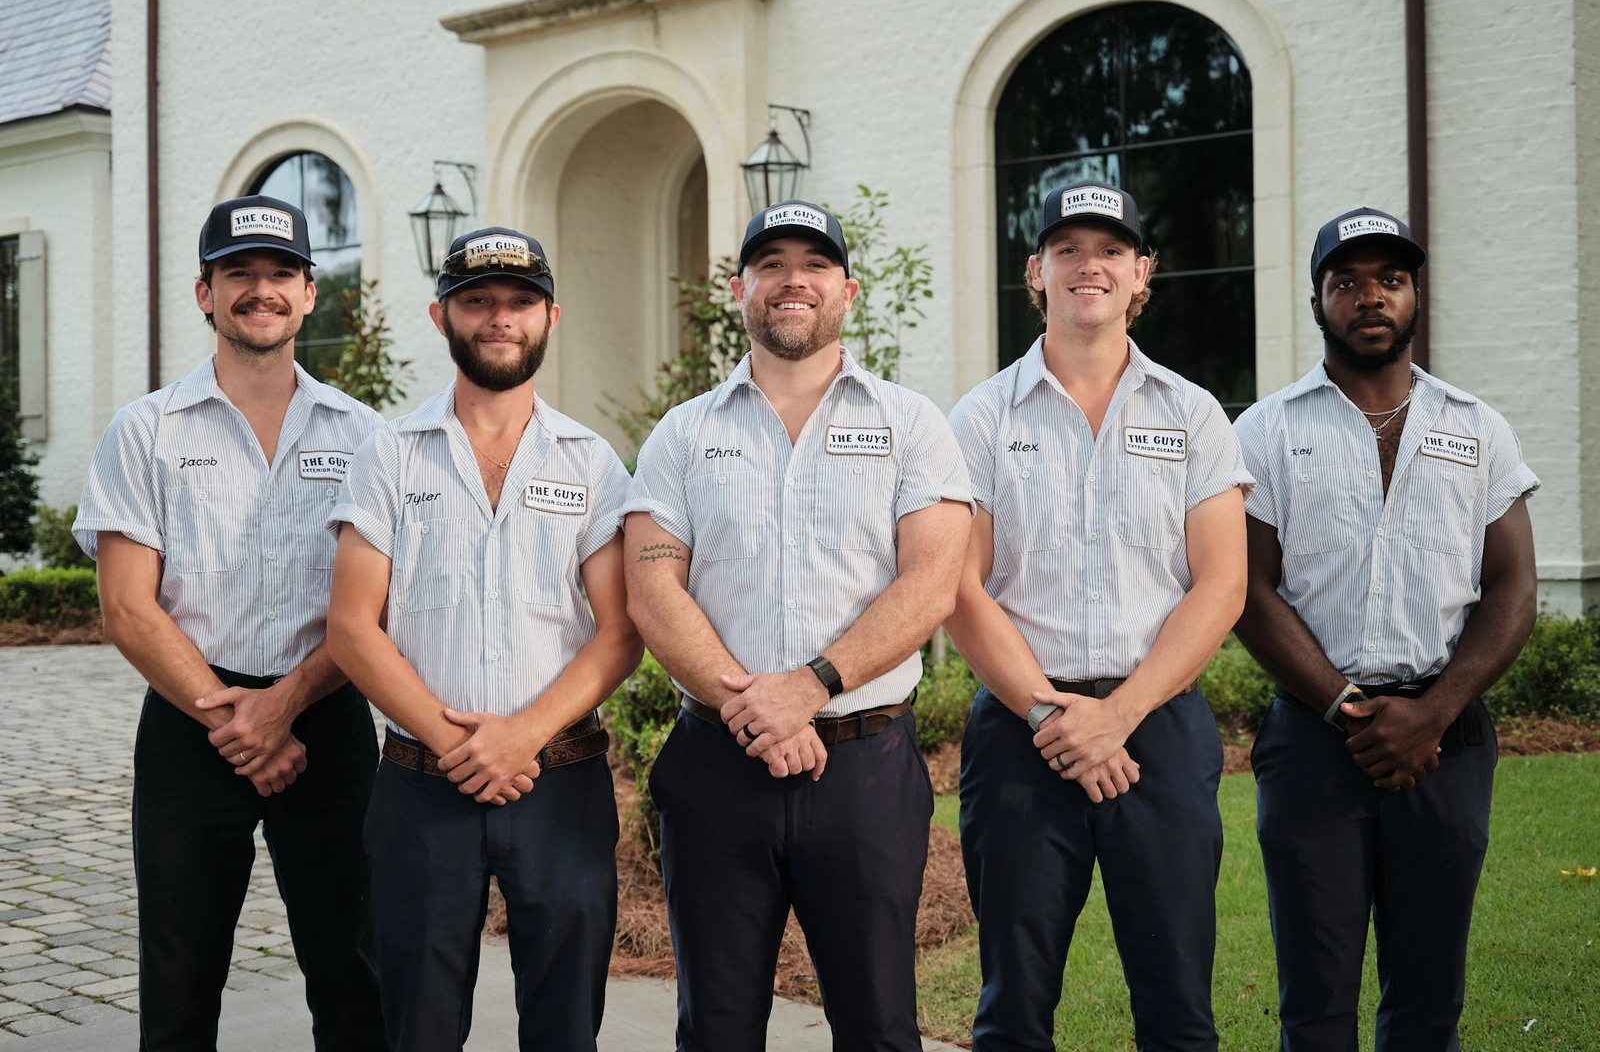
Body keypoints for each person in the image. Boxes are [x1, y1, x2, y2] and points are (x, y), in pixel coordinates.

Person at [622, 199, 973, 1052]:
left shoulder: (910, 424)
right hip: (716, 766)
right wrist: (752, 705)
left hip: (865, 770)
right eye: (771, 264)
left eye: (813, 265)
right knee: (716, 1028)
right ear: (740, 288)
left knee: (880, 1026)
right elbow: (653, 586)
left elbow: (932, 582)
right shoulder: (684, 433)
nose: (792, 281)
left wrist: (807, 688)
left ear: (847, 290)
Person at [944, 181, 1253, 1052]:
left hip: (1156, 727)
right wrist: (1049, 713)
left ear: (1141, 273)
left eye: (1111, 250)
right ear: (1035, 271)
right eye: (1069, 250)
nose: (1090, 266)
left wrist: (1117, 717)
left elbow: (1220, 586)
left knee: (1178, 1009)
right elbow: (960, 587)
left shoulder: (1192, 413)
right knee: (1012, 1010)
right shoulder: (980, 417)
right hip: (1020, 732)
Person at [72, 195, 385, 1051]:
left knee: (354, 968)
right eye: (237, 273)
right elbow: (129, 609)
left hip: (329, 719)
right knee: (180, 977)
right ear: (204, 292)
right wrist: (237, 719)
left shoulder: (365, 436)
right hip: (188, 725)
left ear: (310, 292)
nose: (261, 289)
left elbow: (377, 607)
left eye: (280, 272)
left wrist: (284, 705)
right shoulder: (146, 431)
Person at [325, 226, 640, 1052]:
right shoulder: (388, 455)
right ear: (442, 317)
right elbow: (354, 629)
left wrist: (520, 738)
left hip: (561, 783)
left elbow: (620, 634)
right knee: (417, 1028)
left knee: (566, 1026)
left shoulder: (593, 462)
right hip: (421, 787)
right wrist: (456, 743)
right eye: (478, 301)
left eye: (520, 301)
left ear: (550, 316)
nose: (500, 317)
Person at [1232, 207, 1539, 1052]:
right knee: (1316, 998)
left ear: (1415, 296)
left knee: (1430, 993)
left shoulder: (1476, 427)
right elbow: (1248, 591)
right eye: (1347, 283)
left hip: (1445, 740)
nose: (1370, 297)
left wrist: (1433, 714)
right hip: (1313, 740)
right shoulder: (1266, 430)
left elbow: (1513, 589)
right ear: (1317, 302)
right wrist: (1345, 708)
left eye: (1390, 280)